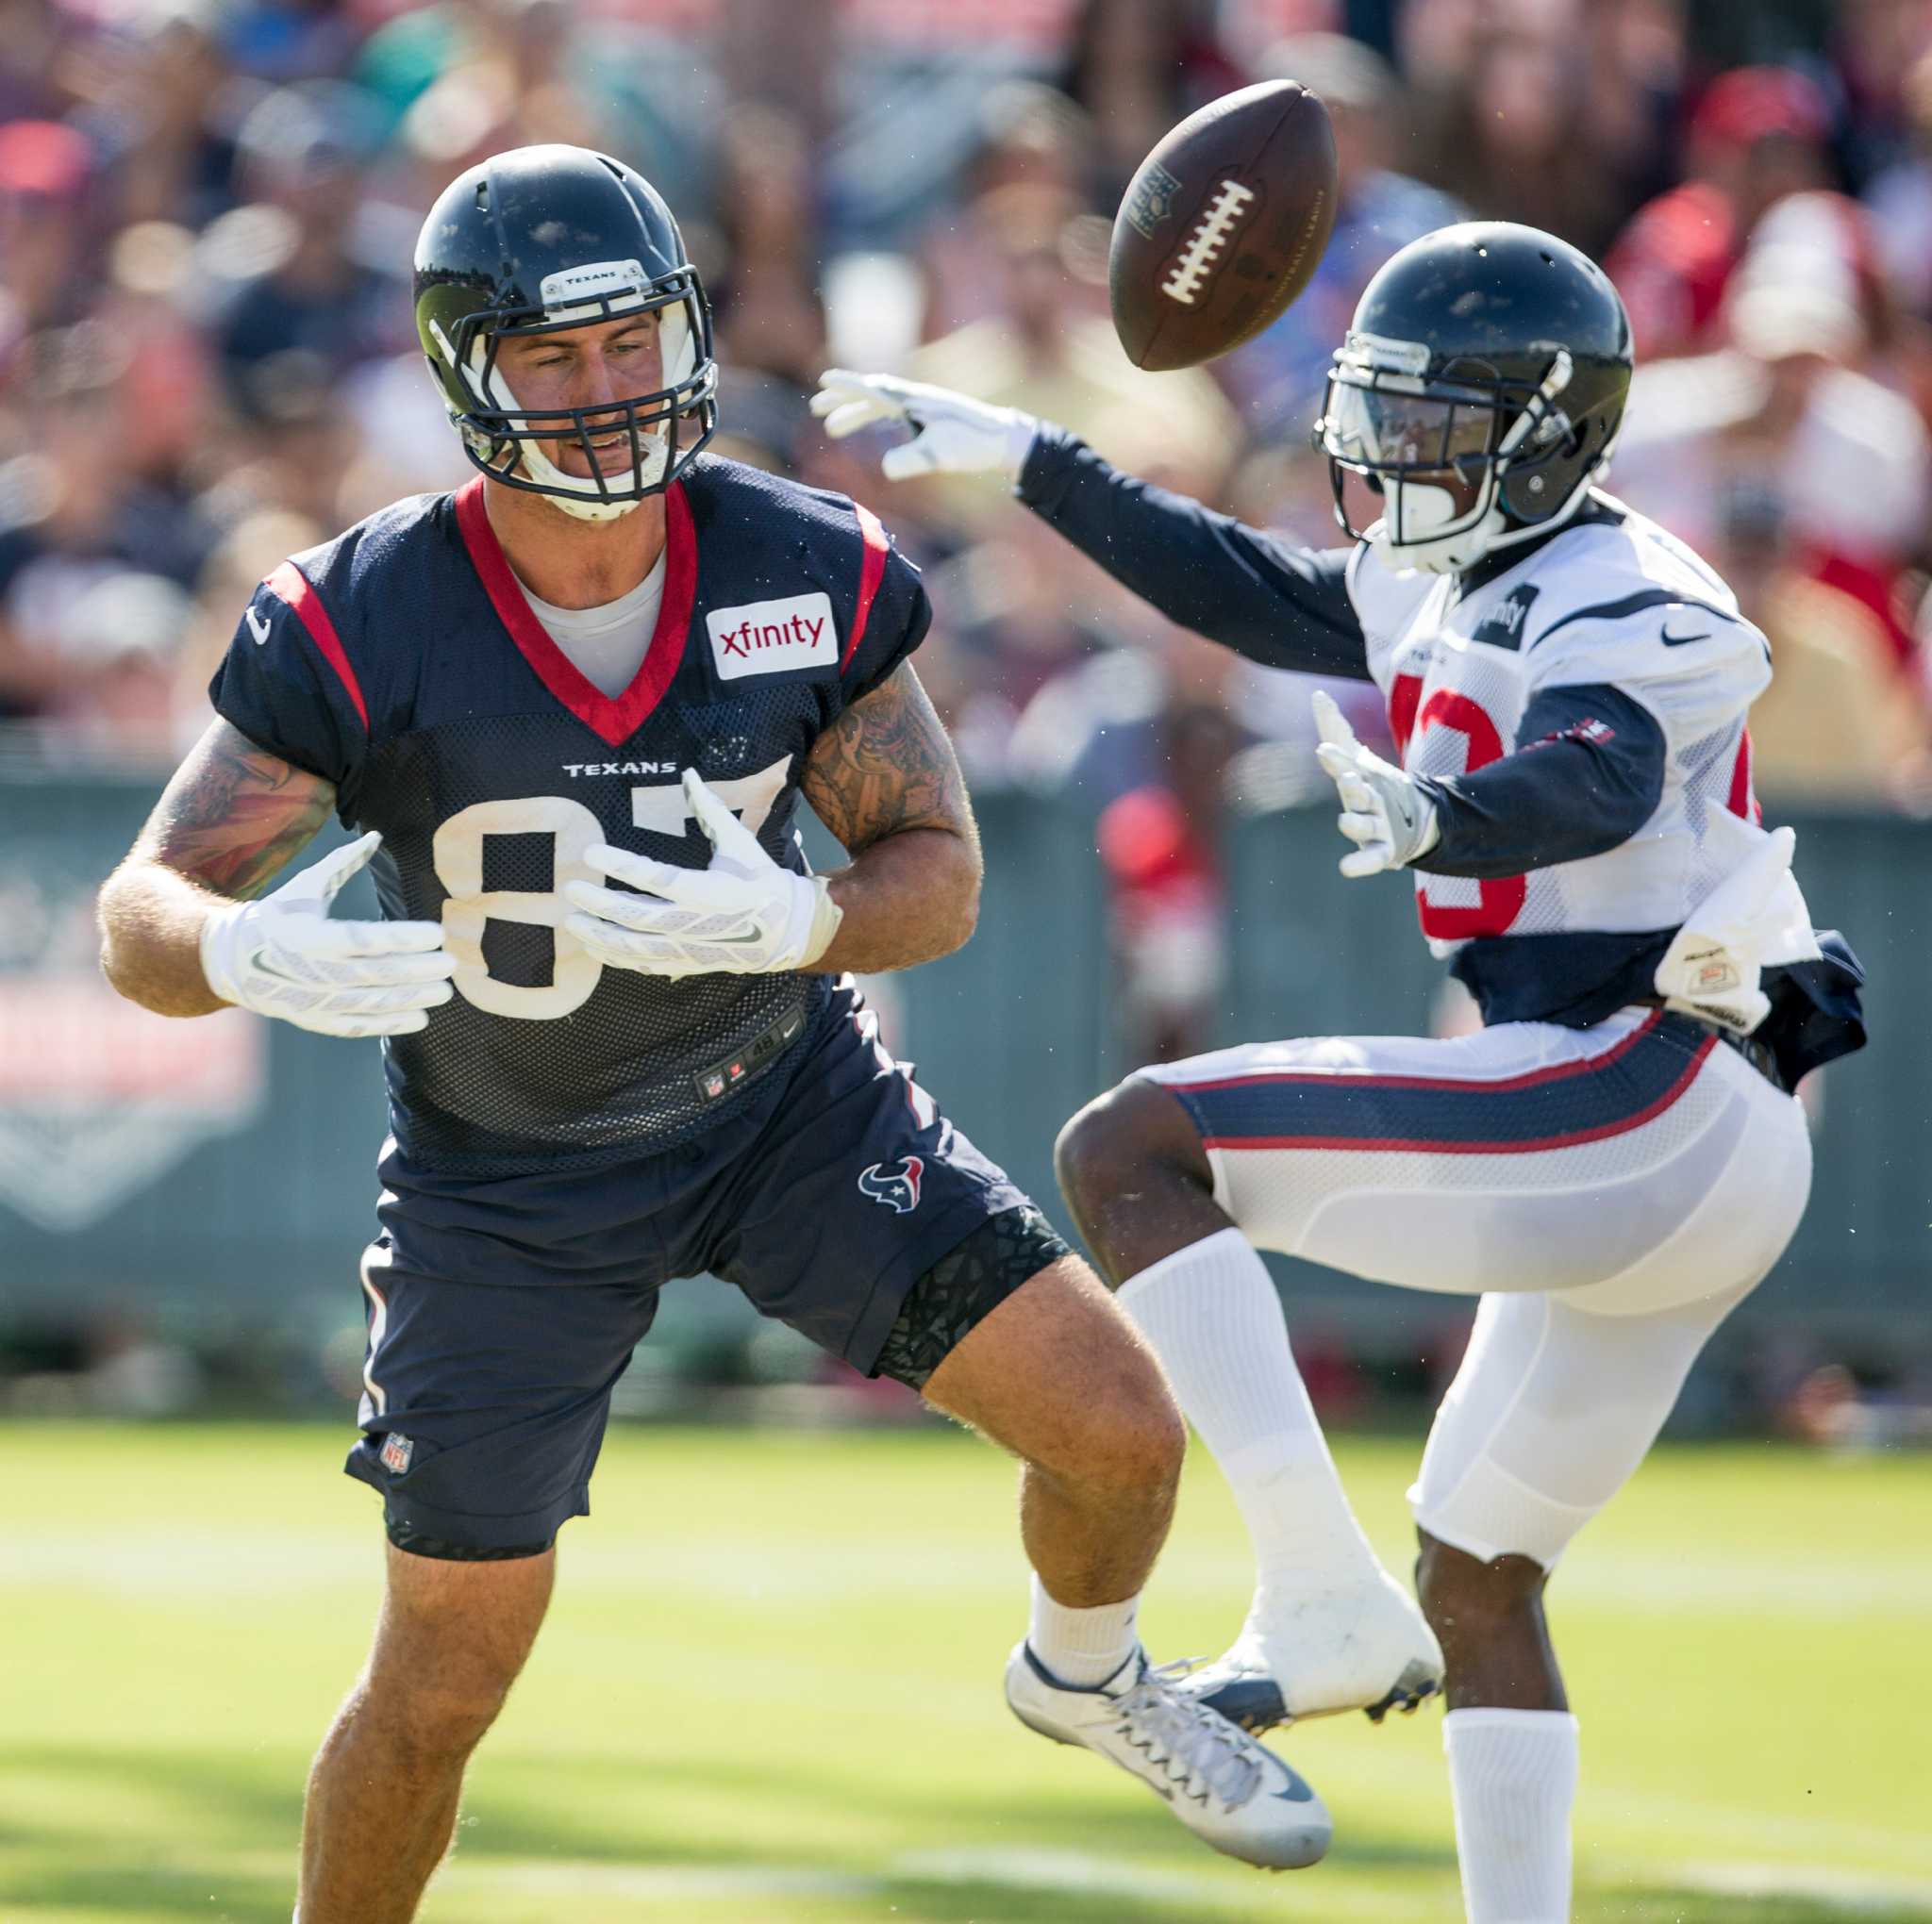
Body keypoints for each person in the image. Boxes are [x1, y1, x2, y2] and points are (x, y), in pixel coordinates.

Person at [94, 144, 1332, 1922]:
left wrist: (808, 915)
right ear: (464, 370)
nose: (605, 391)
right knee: (442, 1684)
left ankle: (1085, 1666)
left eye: (630, 344)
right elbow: (141, 910)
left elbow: (942, 868)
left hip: (782, 1106)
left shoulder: (796, 558)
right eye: (552, 355)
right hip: (503, 1178)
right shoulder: (362, 613)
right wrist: (238, 948)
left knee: (1122, 1432)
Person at [815, 219, 1867, 1923]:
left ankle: (1312, 1591)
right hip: (1654, 1126)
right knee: (1482, 1575)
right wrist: (1038, 464)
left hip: (1657, 1085)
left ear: (1547, 428)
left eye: (1436, 419)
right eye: (1381, 411)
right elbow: (1256, 587)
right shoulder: (1446, 571)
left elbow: (1596, 773)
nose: (1390, 455)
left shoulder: (1649, 596)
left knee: (1135, 1150)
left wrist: (1453, 812)